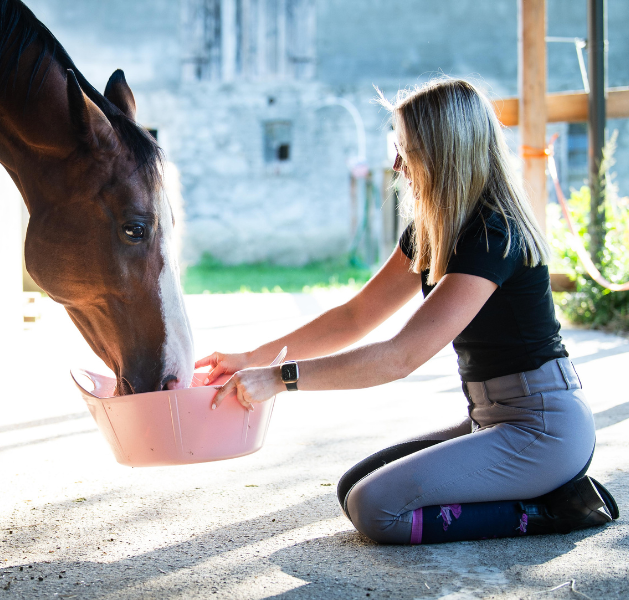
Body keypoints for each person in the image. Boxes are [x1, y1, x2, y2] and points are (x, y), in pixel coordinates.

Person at [195, 77, 619, 545]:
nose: (396, 165)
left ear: (446, 151)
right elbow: (353, 317)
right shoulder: (432, 231)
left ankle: (559, 508)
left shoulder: (491, 233)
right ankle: (533, 492)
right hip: (489, 416)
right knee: (353, 488)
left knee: (377, 507)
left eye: (407, 150)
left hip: (543, 428)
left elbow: (402, 356)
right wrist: (251, 358)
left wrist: (281, 379)